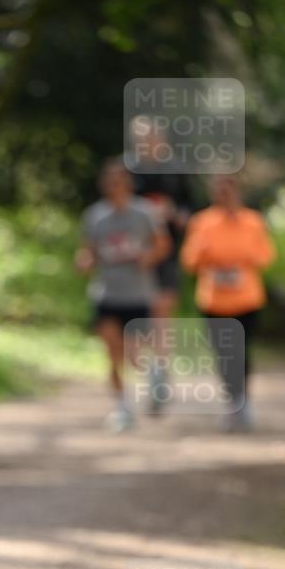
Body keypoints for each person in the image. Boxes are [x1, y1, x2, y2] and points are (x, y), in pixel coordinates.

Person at [75, 158, 170, 431]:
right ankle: (122, 406)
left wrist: (148, 257)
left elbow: (163, 245)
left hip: (138, 293)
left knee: (134, 354)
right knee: (112, 352)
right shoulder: (95, 216)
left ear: (128, 184)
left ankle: (155, 374)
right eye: (109, 181)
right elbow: (88, 251)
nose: (113, 186)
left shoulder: (145, 212)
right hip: (106, 292)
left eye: (118, 181)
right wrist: (84, 261)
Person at [180, 174, 275, 432]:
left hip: (246, 299)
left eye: (228, 192)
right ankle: (232, 399)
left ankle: (242, 401)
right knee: (224, 354)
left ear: (237, 193)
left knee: (242, 352)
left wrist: (239, 261)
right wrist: (205, 253)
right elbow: (189, 261)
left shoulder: (252, 221)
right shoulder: (202, 222)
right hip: (214, 300)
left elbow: (265, 257)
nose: (224, 197)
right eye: (219, 192)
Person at [129, 117, 197, 414]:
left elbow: (192, 213)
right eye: (143, 138)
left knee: (161, 312)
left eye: (154, 137)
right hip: (132, 260)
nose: (149, 143)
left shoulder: (176, 171)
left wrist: (175, 215)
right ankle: (145, 371)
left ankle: (159, 372)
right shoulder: (126, 171)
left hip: (166, 256)